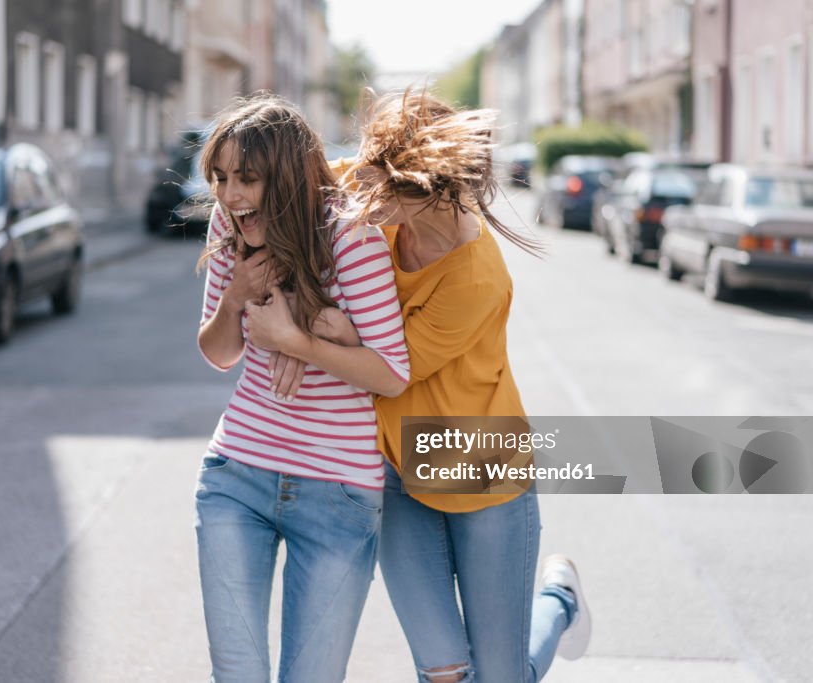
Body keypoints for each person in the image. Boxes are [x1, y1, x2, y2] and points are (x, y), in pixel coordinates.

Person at [260, 90, 593, 683]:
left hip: (483, 475)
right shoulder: (376, 190)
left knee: (500, 676)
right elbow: (285, 194)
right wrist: (285, 294)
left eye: (378, 191)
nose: (359, 201)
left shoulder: (475, 274)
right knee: (444, 671)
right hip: (395, 470)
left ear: (426, 191)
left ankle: (559, 603)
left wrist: (309, 335)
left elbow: (389, 375)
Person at [194, 93, 410, 683]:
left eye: (247, 178)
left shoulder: (350, 237)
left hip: (337, 493)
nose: (230, 195)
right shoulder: (229, 227)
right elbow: (219, 353)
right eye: (219, 178)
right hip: (237, 476)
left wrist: (295, 339)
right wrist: (237, 293)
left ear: (287, 176)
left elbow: (392, 374)